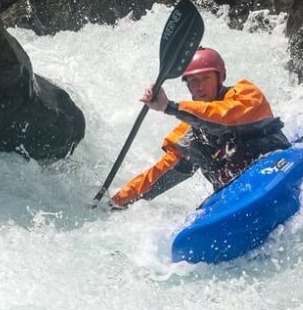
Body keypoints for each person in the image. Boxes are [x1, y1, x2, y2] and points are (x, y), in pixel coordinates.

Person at [109, 47, 288, 207]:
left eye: (206, 78)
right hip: (235, 191)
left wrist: (170, 107)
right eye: (193, 81)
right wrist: (121, 199)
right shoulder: (191, 132)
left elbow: (224, 116)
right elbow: (162, 172)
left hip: (276, 164)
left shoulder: (246, 95)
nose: (200, 86)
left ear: (221, 77)